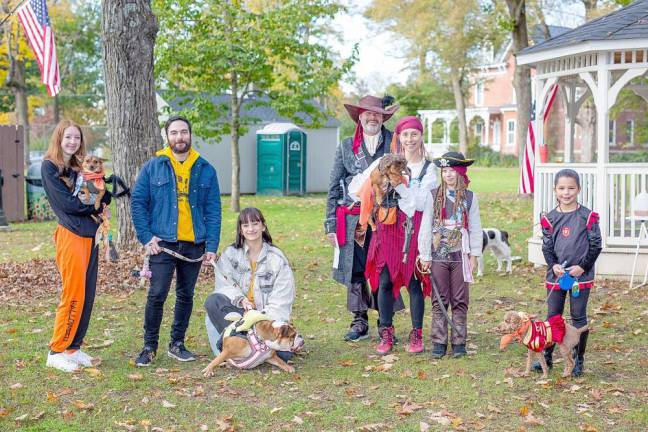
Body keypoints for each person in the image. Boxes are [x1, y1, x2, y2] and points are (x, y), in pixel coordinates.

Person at [131, 115, 221, 367]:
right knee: (157, 294)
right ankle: (149, 346)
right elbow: (138, 203)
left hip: (194, 244)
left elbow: (214, 210)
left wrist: (211, 246)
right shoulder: (153, 167)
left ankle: (177, 343)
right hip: (163, 243)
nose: (179, 137)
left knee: (185, 295)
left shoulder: (205, 168)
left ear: (190, 135)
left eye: (183, 132)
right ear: (167, 137)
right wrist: (146, 237)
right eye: (174, 133)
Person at [348, 116, 437, 354]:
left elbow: (417, 205)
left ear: (421, 136)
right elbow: (355, 188)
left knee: (413, 282)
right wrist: (375, 185)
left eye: (414, 134)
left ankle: (416, 334)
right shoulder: (383, 162)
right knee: (384, 281)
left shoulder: (429, 169)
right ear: (399, 137)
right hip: (386, 229)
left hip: (412, 230)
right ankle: (386, 332)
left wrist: (398, 184)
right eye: (405, 134)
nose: (409, 139)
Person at [324, 95, 404, 341]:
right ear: (359, 117)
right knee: (356, 270)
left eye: (377, 114)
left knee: (385, 269)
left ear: (383, 118)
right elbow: (334, 186)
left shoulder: (394, 143)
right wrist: (330, 223)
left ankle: (385, 321)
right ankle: (359, 320)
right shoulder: (347, 146)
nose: (372, 117)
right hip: (354, 219)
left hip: (387, 217)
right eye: (368, 114)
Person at [41, 119, 112, 372]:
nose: (73, 142)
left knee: (88, 294)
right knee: (73, 294)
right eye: (68, 137)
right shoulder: (50, 167)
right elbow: (68, 205)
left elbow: (102, 194)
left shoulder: (78, 166)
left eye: (77, 138)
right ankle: (57, 350)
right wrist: (95, 206)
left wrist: (105, 196)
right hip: (71, 234)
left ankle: (73, 348)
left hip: (90, 235)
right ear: (59, 138)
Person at [204, 207, 296, 361]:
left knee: (284, 355)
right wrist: (241, 299)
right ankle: (237, 348)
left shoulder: (277, 259)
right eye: (245, 225)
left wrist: (259, 318)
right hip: (239, 315)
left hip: (264, 320)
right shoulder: (230, 254)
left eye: (255, 224)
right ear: (240, 230)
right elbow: (223, 284)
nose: (251, 229)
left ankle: (249, 350)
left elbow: (282, 299)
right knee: (213, 301)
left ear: (263, 226)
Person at [535, 168, 601, 376]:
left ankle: (578, 360)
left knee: (578, 317)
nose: (566, 192)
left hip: (580, 277)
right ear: (555, 190)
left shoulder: (587, 216)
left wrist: (582, 266)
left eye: (571, 188)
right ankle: (547, 356)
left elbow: (596, 245)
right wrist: (553, 264)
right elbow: (547, 247)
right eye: (562, 188)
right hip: (557, 276)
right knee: (553, 315)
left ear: (578, 189)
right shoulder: (550, 218)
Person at [418, 152, 482, 359]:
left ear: (460, 172)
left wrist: (474, 255)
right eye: (444, 171)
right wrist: (425, 254)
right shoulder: (433, 195)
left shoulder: (470, 197)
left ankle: (459, 341)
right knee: (439, 297)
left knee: (460, 298)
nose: (448, 175)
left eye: (452, 171)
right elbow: (426, 225)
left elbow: (475, 227)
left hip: (460, 253)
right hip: (438, 253)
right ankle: (438, 341)